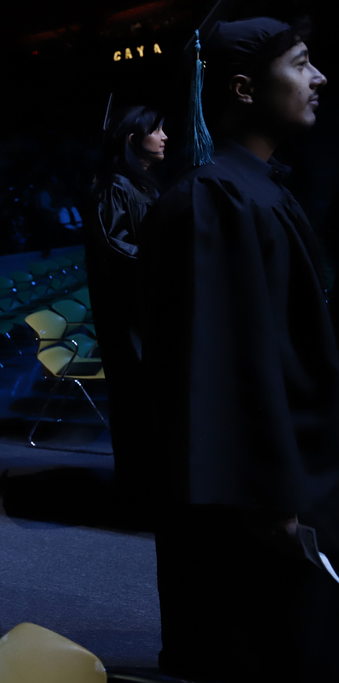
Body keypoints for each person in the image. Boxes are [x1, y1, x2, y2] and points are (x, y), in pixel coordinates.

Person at [141, 18, 338, 682]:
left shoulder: (260, 187)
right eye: (303, 63)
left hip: (298, 473)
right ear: (246, 88)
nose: (320, 78)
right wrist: (271, 500)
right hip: (262, 503)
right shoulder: (213, 199)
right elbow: (223, 368)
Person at [85, 106, 166, 503]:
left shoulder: (143, 184)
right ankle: (139, 491)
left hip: (146, 309)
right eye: (157, 130)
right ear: (133, 140)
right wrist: (169, 260)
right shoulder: (114, 186)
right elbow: (115, 248)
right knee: (137, 399)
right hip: (127, 314)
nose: (165, 136)